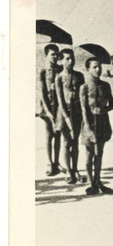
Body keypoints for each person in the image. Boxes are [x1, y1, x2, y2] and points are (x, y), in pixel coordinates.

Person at [80, 57, 113, 195]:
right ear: (88, 69)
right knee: (89, 154)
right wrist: (88, 128)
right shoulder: (84, 87)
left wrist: (104, 110)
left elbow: (112, 104)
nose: (98, 69)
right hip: (89, 122)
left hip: (102, 122)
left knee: (99, 153)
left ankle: (98, 180)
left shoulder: (105, 85)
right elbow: (83, 109)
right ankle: (90, 182)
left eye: (99, 66)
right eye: (94, 67)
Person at [54, 48, 83, 184]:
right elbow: (60, 100)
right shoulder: (59, 77)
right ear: (61, 61)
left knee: (75, 142)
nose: (71, 61)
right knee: (66, 142)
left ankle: (76, 168)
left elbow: (83, 96)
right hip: (64, 114)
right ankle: (69, 171)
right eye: (67, 59)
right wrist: (67, 119)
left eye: (72, 58)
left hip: (77, 112)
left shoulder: (79, 75)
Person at [38, 43, 61, 177]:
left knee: (58, 134)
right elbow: (42, 93)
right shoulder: (43, 71)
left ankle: (57, 162)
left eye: (57, 54)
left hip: (58, 106)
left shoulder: (60, 68)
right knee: (48, 134)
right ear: (46, 55)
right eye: (53, 54)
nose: (56, 57)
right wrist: (48, 112)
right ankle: (49, 162)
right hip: (46, 106)